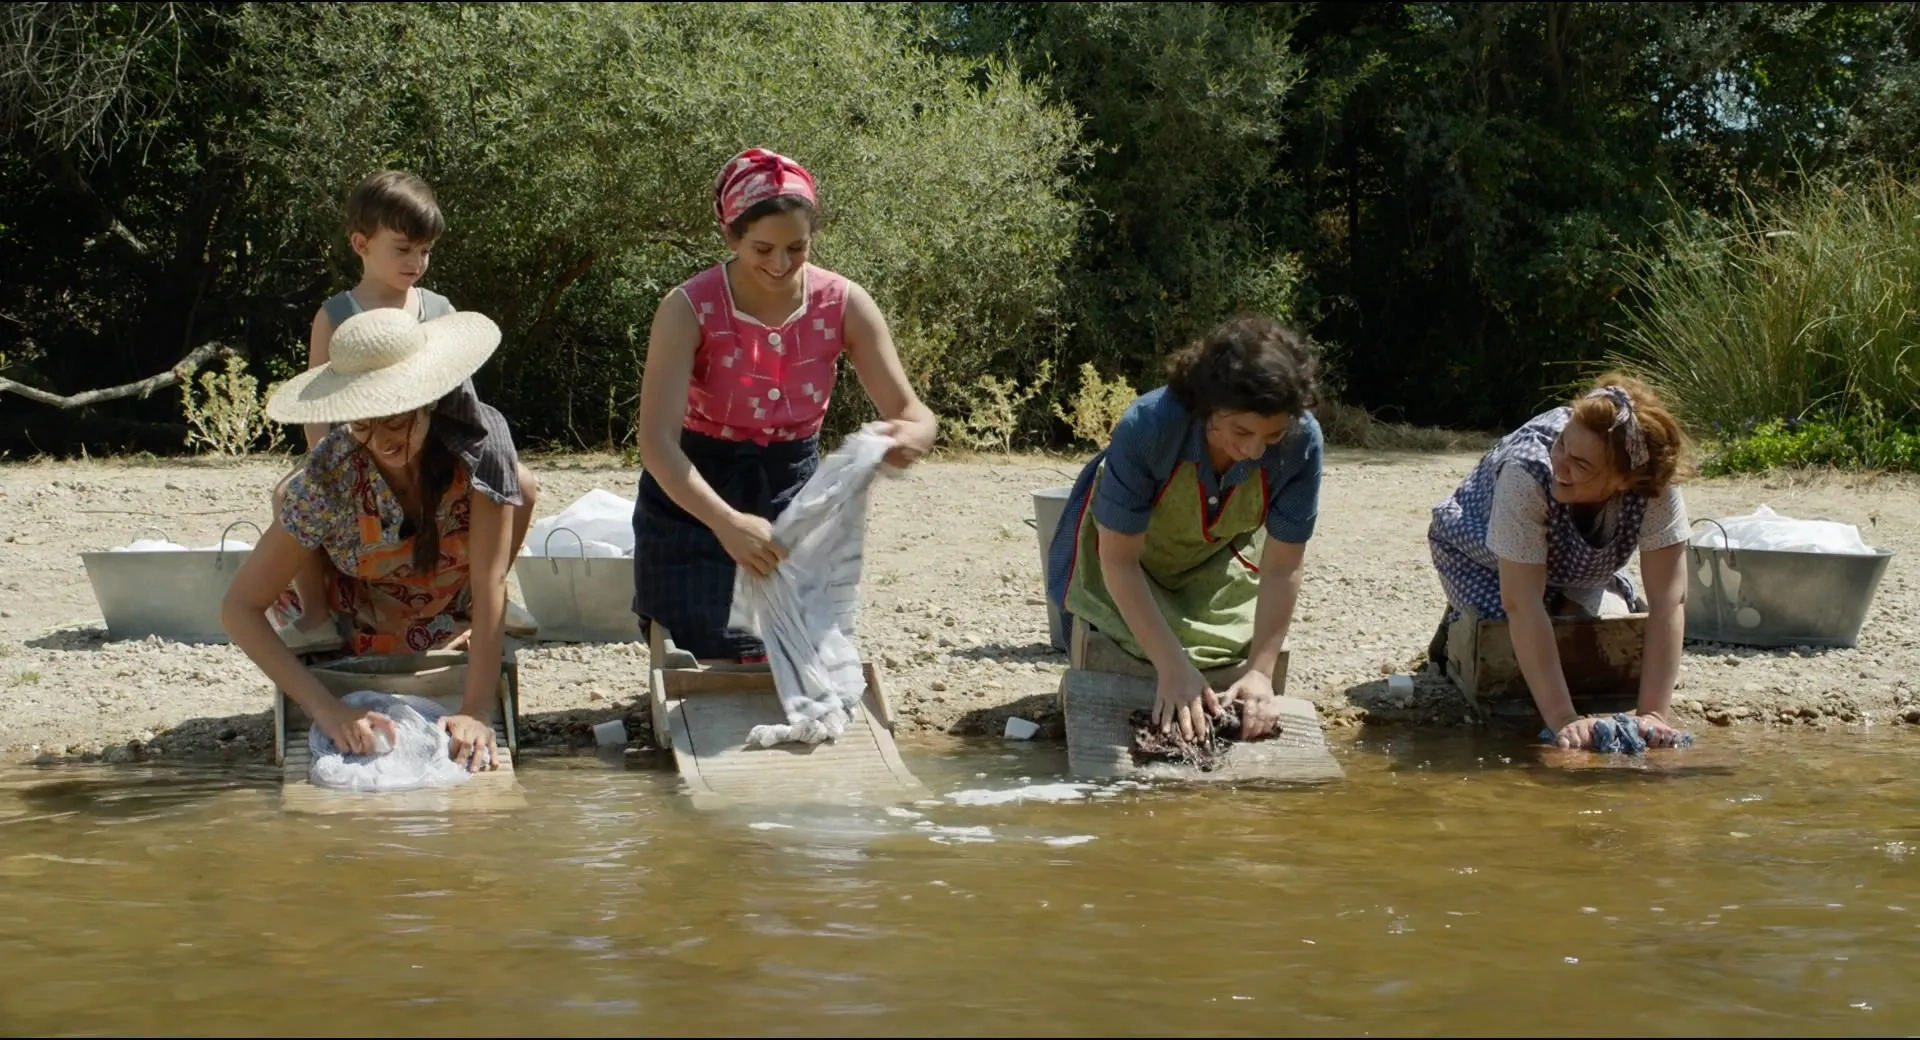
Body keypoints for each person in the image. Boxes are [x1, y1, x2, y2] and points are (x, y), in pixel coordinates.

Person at [633, 147, 939, 662]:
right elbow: (656, 443)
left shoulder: (843, 303)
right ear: (730, 236)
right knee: (709, 645)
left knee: (791, 647)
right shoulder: (688, 308)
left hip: (794, 494)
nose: (780, 264)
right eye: (762, 249)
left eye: (796, 248)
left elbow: (914, 413)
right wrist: (727, 524)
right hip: (696, 494)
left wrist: (911, 437)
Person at [222, 307, 518, 772]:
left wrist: (476, 710)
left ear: (429, 403)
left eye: (395, 424)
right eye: (362, 425)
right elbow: (239, 607)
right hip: (354, 614)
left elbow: (490, 578)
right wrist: (327, 707)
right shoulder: (333, 470)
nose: (380, 443)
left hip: (445, 608)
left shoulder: (480, 447)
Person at [270, 169, 539, 645]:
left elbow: (463, 403)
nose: (416, 261)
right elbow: (317, 407)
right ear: (361, 243)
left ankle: (487, 591)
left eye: (425, 250)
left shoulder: (439, 308)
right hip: (358, 452)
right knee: (285, 495)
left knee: (521, 485)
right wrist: (326, 467)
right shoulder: (335, 314)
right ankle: (315, 615)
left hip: (436, 452)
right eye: (403, 248)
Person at [1045, 315, 1325, 743]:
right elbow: (1118, 561)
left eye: (1270, 435)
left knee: (1228, 649)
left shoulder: (1302, 441)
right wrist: (1173, 669)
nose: (1253, 450)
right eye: (1240, 431)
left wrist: (1260, 672)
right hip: (1123, 562)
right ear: (1207, 406)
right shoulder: (1149, 426)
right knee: (1136, 644)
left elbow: (1282, 566)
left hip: (1214, 561)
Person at [1426, 373, 1693, 751]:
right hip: (1479, 554)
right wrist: (1563, 721)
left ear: (1624, 480)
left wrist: (1652, 715)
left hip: (1577, 563)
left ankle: (1566, 600)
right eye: (1562, 445)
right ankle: (1456, 632)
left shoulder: (1651, 479)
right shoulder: (1527, 471)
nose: (1560, 465)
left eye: (1581, 464)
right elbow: (1521, 604)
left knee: (1594, 633)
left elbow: (1670, 600)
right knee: (1504, 635)